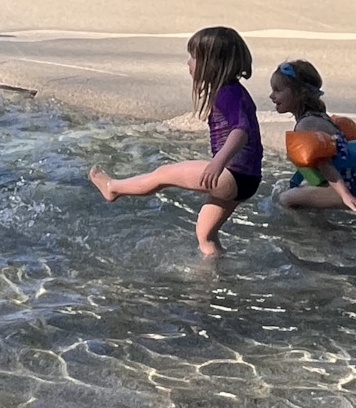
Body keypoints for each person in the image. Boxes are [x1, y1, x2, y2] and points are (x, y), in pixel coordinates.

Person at [89, 24, 261, 256]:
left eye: (194, 57)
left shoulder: (227, 93)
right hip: (247, 180)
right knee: (205, 235)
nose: (188, 63)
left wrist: (218, 162)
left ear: (212, 63)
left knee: (163, 174)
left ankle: (113, 188)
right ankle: (213, 276)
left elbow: (241, 131)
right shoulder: (233, 91)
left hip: (230, 175)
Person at [270, 59, 356, 214]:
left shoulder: (306, 125)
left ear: (298, 93)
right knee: (295, 191)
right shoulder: (321, 117)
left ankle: (315, 236)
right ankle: (322, 231)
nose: (271, 96)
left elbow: (324, 164)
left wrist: (345, 195)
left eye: (277, 90)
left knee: (285, 199)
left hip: (342, 190)